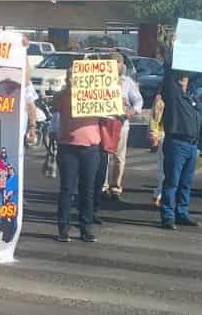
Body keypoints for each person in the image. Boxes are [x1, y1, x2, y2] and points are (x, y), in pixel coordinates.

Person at [53, 64, 102, 242]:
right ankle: (63, 228)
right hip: (68, 147)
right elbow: (54, 103)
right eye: (70, 76)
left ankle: (85, 228)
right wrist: (68, 89)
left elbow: (111, 106)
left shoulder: (95, 94)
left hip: (90, 148)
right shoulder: (64, 95)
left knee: (87, 190)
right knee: (67, 189)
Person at [157, 68, 202, 230]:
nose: (185, 78)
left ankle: (181, 213)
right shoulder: (173, 94)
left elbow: (200, 72)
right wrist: (172, 51)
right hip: (177, 143)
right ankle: (168, 216)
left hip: (192, 144)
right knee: (172, 181)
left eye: (187, 76)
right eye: (182, 76)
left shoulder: (192, 95)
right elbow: (168, 75)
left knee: (186, 183)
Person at [102, 51, 144, 201]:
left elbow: (139, 101)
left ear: (121, 65)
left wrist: (131, 111)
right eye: (110, 63)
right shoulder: (100, 80)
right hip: (104, 122)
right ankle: (102, 186)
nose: (113, 66)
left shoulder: (127, 82)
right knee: (103, 156)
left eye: (116, 63)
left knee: (119, 157)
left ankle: (116, 187)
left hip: (121, 123)